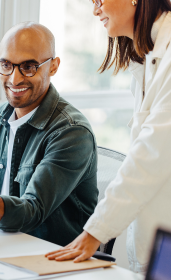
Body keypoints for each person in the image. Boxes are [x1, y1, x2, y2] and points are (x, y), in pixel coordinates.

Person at [0, 22, 99, 247]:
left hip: (49, 259)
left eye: (29, 67)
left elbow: (30, 213)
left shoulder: (71, 132)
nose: (14, 79)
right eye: (6, 65)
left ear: (53, 67)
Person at [46, 0, 171, 274]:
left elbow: (150, 156)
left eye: (99, 0)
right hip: (156, 244)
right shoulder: (147, 58)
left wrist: (94, 233)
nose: (95, 10)